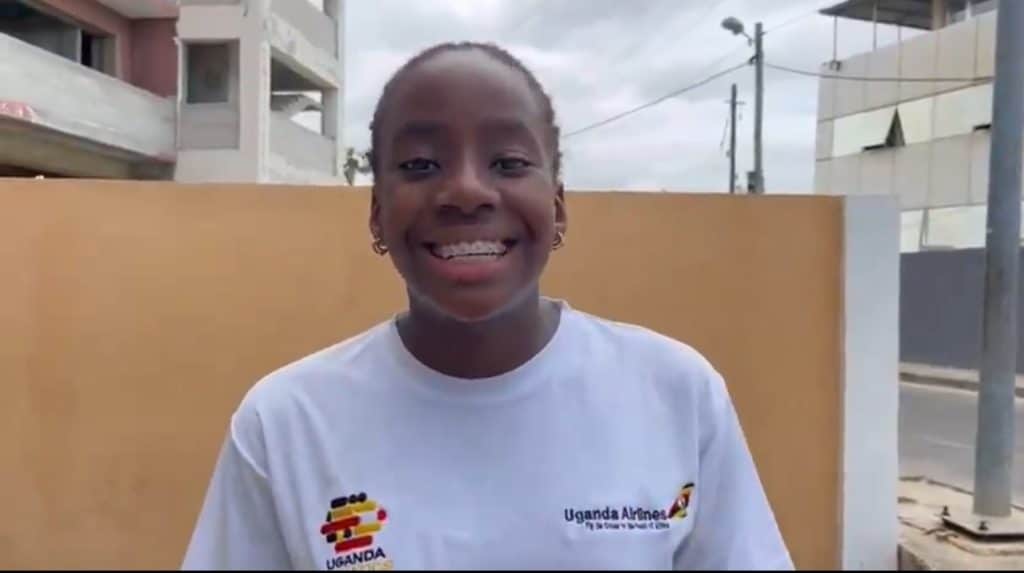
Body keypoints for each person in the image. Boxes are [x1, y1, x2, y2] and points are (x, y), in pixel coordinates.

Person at [181, 41, 793, 571]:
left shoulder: (676, 394)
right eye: (421, 164)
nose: (467, 190)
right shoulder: (285, 423)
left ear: (557, 207)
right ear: (377, 213)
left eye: (509, 163)